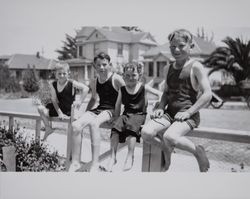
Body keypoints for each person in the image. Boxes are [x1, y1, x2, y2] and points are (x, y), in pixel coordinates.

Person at [141, 29, 212, 172]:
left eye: (181, 46)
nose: (176, 50)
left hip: (188, 116)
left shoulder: (196, 67)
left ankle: (198, 151)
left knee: (169, 136)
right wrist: (161, 107)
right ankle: (167, 150)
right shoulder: (167, 68)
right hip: (170, 114)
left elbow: (207, 94)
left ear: (190, 46)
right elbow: (167, 92)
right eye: (173, 47)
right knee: (146, 132)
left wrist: (189, 112)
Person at [68, 52, 125, 172]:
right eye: (98, 65)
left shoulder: (116, 78)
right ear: (95, 66)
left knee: (94, 124)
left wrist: (121, 116)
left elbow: (128, 96)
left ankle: (95, 164)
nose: (101, 68)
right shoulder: (94, 81)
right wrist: (86, 114)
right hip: (99, 108)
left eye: (104, 64)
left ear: (110, 64)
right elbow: (93, 99)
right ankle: (75, 162)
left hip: (111, 110)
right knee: (76, 125)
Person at [104, 61, 162, 172]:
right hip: (126, 114)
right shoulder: (122, 89)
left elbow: (160, 94)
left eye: (133, 75)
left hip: (139, 115)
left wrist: (158, 104)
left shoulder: (143, 87)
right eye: (127, 75)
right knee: (115, 128)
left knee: (131, 127)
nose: (130, 78)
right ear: (123, 76)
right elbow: (117, 105)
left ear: (139, 75)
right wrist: (115, 117)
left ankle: (130, 156)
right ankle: (113, 156)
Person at [37, 62, 89, 141]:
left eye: (64, 73)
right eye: (59, 73)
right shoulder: (53, 84)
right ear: (55, 74)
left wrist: (80, 101)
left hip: (68, 110)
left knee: (75, 122)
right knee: (40, 108)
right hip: (58, 109)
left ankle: (74, 141)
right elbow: (54, 100)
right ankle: (48, 128)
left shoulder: (71, 83)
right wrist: (60, 113)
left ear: (68, 73)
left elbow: (86, 88)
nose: (61, 76)